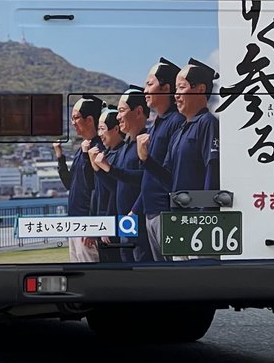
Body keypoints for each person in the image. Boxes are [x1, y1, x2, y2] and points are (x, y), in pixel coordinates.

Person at [133, 57, 185, 261]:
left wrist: (145, 158)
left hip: (166, 211)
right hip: (152, 211)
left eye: (149, 84)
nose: (145, 90)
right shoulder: (158, 123)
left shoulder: (176, 121)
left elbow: (171, 173)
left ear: (165, 88)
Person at [92, 86, 148, 262]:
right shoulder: (126, 147)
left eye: (121, 111)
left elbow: (146, 180)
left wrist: (135, 210)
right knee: (127, 264)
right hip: (125, 220)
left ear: (138, 112)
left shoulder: (143, 141)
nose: (118, 116)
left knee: (141, 265)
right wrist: (100, 170)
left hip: (137, 218)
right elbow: (117, 186)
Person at [149, 59, 220, 196]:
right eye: (176, 89)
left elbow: (212, 171)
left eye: (182, 87)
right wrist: (146, 160)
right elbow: (168, 179)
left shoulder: (207, 123)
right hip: (179, 212)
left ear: (200, 90)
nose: (176, 95)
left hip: (198, 214)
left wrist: (207, 212)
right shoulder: (179, 131)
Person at [52, 94, 103, 263]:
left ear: (89, 119)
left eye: (76, 118)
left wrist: (93, 226)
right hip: (75, 224)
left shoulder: (98, 149)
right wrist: (60, 156)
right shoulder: (82, 149)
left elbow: (99, 190)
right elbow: (70, 184)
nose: (73, 123)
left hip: (86, 225)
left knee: (90, 276)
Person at [89, 107, 126, 263]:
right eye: (98, 129)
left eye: (102, 129)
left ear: (116, 129)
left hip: (115, 224)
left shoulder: (121, 153)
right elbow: (97, 193)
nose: (99, 134)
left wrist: (107, 225)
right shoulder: (106, 154)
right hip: (103, 222)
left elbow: (115, 192)